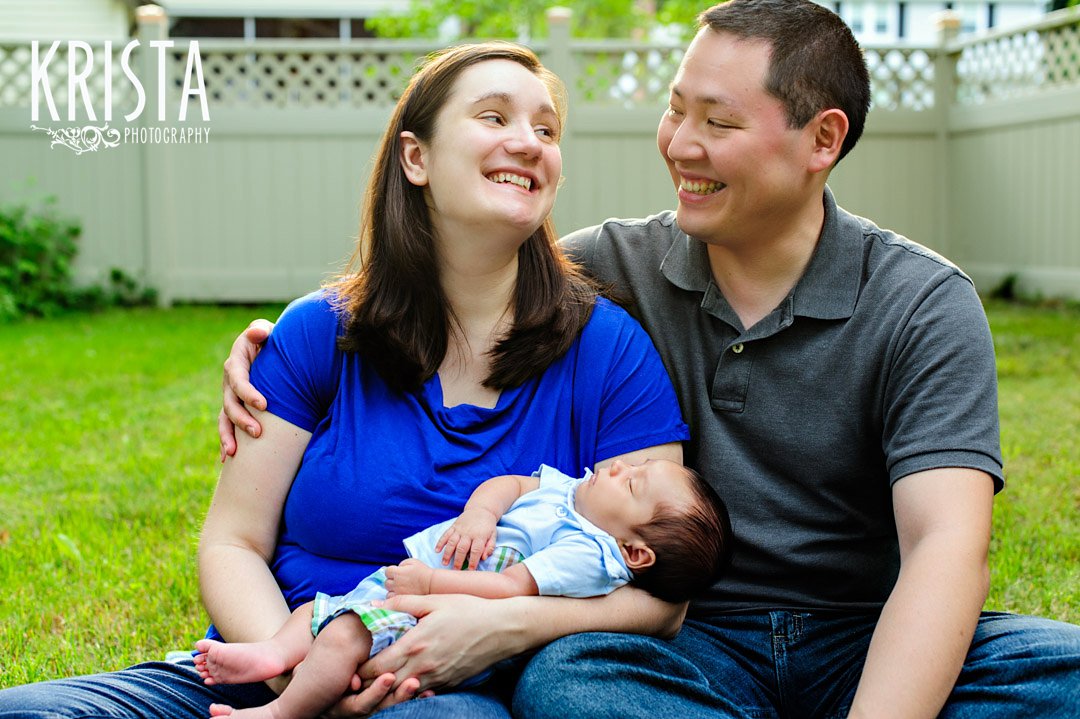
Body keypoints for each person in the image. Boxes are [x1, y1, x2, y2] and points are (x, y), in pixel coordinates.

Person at [216, 1, 1080, 717]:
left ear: (822, 140)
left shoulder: (922, 302)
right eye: (676, 109)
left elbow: (943, 551)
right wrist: (270, 344)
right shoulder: (607, 271)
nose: (678, 143)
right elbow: (446, 279)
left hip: (870, 630)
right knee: (570, 683)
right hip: (686, 645)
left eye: (718, 122)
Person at [0, 42, 696, 719]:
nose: (529, 141)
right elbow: (233, 541)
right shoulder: (318, 332)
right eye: (494, 117)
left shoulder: (608, 352)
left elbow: (658, 586)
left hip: (443, 687)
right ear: (415, 157)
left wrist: (504, 626)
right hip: (270, 666)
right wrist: (294, 677)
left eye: (545, 128)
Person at [193, 460, 732, 719]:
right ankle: (270, 655)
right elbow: (513, 484)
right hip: (413, 587)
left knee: (341, 637)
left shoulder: (589, 554)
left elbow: (510, 590)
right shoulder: (573, 494)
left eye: (632, 482)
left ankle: (281, 714)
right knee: (315, 611)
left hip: (444, 611)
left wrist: (431, 580)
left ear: (635, 553)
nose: (619, 467)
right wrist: (480, 512)